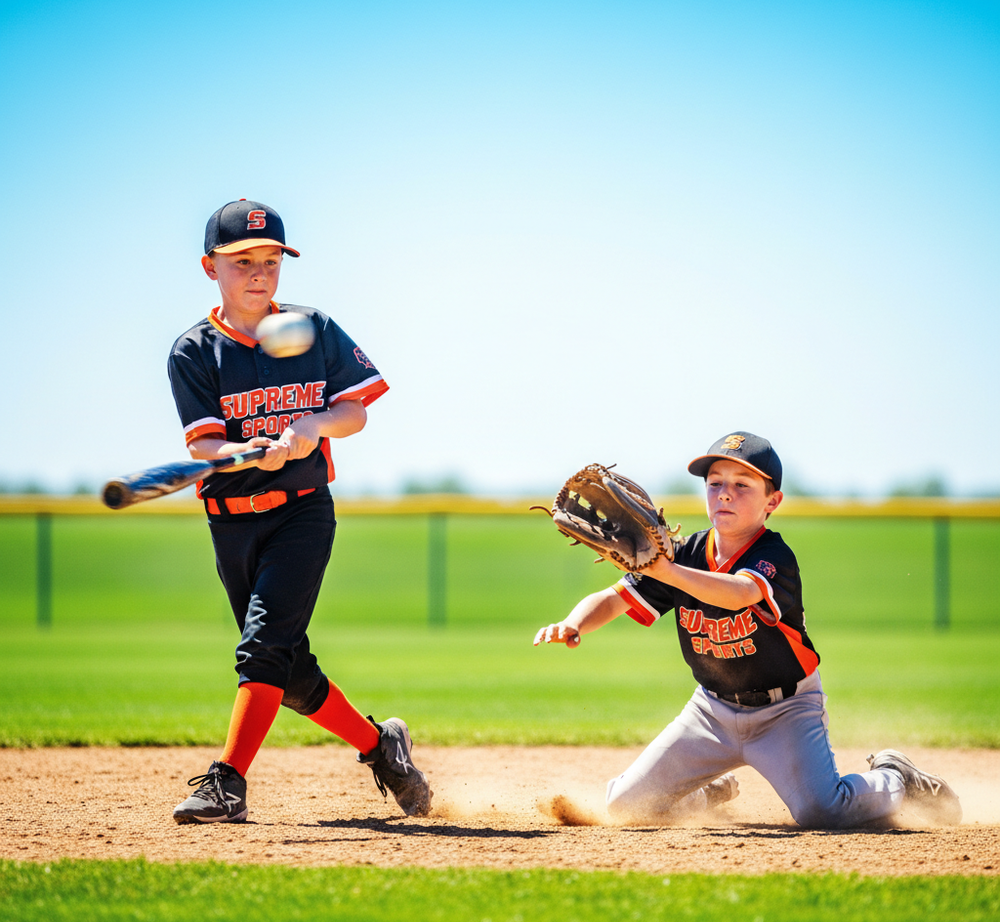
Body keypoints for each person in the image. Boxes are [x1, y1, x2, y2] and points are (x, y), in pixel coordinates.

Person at [534, 432, 961, 828]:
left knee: (822, 810)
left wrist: (666, 571)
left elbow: (739, 593)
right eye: (715, 483)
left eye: (742, 485)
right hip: (710, 714)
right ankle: (704, 795)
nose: (725, 493)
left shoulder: (773, 555)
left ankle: (896, 776)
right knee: (625, 805)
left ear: (772, 501)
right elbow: (615, 597)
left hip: (786, 712)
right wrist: (574, 623)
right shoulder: (684, 556)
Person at [167, 199, 431, 824]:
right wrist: (248, 453)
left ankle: (227, 783)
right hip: (231, 522)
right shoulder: (194, 351)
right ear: (210, 267)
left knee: (262, 648)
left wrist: (314, 425)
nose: (259, 273)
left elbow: (355, 411)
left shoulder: (311, 328)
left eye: (271, 260)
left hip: (302, 514)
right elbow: (204, 446)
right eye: (242, 262)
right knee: (288, 672)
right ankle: (381, 747)